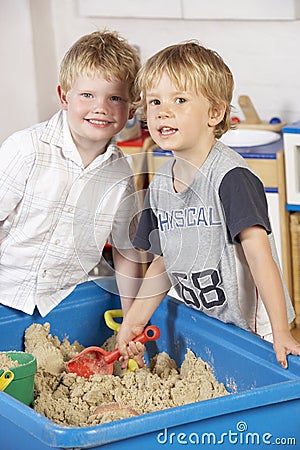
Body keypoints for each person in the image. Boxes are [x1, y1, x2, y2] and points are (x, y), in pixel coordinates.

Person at [117, 40, 300, 369]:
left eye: (180, 100)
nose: (163, 111)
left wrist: (281, 331)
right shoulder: (159, 184)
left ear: (214, 113)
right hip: (210, 322)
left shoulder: (230, 177)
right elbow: (164, 262)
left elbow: (260, 256)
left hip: (257, 329)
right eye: (155, 101)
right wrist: (134, 320)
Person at [0, 30, 142, 317]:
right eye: (87, 95)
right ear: (64, 97)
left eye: (115, 97)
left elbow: (125, 251)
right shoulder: (26, 149)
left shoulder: (121, 177)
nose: (100, 108)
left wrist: (131, 319)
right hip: (5, 293)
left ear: (131, 109)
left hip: (63, 301)